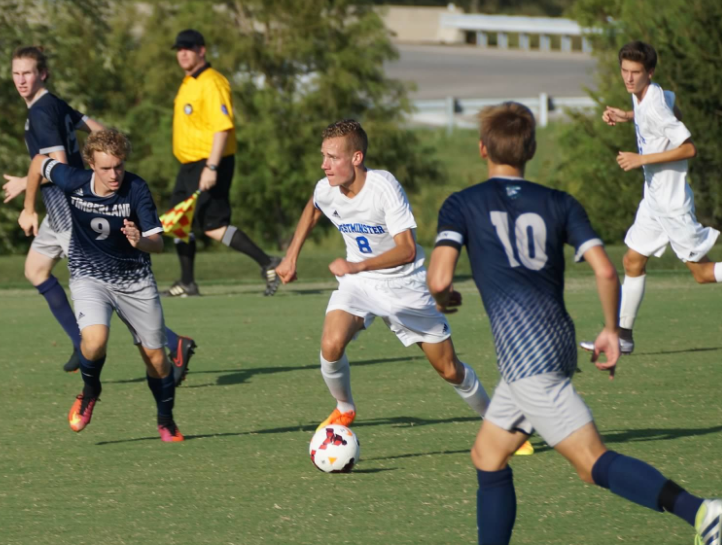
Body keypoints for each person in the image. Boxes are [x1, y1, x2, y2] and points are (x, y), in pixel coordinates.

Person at [427, 101, 721, 545]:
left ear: (482, 148)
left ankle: (702, 512)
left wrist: (443, 297)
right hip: (555, 345)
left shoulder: (461, 204)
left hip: (526, 358)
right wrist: (611, 329)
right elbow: (605, 271)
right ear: (531, 149)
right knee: (488, 455)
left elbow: (439, 278)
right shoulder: (558, 202)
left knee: (590, 463)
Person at [275, 119, 533, 456]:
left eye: (333, 158)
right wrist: (291, 256)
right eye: (323, 156)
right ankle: (345, 406)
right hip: (359, 284)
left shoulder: (383, 187)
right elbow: (313, 207)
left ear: (356, 157)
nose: (325, 165)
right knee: (331, 344)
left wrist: (356, 264)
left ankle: (502, 426)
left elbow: (407, 249)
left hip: (405, 287)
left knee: (449, 369)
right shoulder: (327, 187)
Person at [4, 46, 196, 379]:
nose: (21, 79)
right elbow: (100, 131)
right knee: (35, 269)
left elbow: (59, 165)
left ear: (42, 74)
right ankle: (81, 343)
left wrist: (27, 184)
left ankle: (172, 342)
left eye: (28, 72)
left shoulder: (40, 112)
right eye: (16, 73)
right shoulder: (53, 103)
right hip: (61, 206)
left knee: (103, 284)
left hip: (71, 209)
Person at [18, 129, 185, 442]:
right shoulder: (73, 180)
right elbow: (38, 162)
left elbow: (159, 244)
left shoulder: (136, 188)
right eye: (106, 168)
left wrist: (140, 241)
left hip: (135, 281)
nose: (114, 175)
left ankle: (166, 420)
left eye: (119, 166)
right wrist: (28, 208)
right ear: (90, 164)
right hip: (88, 276)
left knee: (158, 360)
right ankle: (90, 391)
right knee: (94, 341)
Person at [579, 41, 722, 355]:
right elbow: (672, 106)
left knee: (701, 274)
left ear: (650, 72)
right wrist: (629, 115)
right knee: (632, 261)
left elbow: (689, 148)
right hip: (653, 202)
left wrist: (641, 159)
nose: (629, 78)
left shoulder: (654, 102)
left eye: (636, 73)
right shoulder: (649, 93)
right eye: (625, 71)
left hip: (671, 205)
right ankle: (623, 337)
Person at [165, 29, 280, 298]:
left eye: (188, 48)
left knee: (214, 226)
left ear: (201, 50)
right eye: (179, 49)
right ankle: (187, 282)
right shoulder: (188, 82)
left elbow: (222, 128)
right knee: (178, 221)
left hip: (210, 162)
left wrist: (212, 167)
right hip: (189, 165)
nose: (182, 53)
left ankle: (268, 263)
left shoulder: (212, 82)